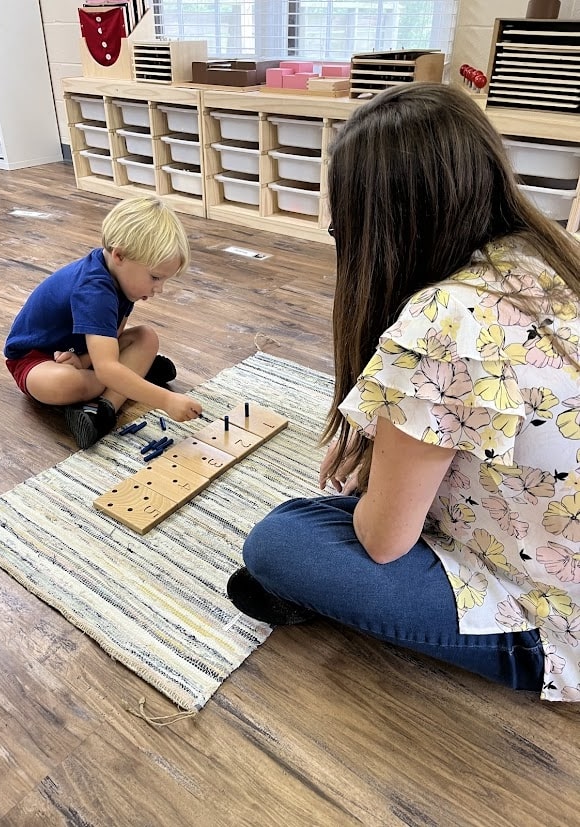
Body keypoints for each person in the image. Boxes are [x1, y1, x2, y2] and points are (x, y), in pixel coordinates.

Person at [227, 82, 580, 703]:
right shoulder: (545, 256)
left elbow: (383, 542)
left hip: (551, 620)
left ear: (381, 227)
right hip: (553, 537)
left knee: (281, 541)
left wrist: (377, 480)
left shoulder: (446, 316)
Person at [4, 195, 202, 448]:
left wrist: (84, 360)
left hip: (81, 353)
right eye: (154, 277)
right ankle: (132, 376)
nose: (159, 289)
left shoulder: (124, 279)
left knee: (147, 336)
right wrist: (166, 401)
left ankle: (103, 407)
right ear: (120, 255)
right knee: (63, 384)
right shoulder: (94, 289)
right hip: (36, 360)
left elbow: (115, 335)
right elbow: (106, 367)